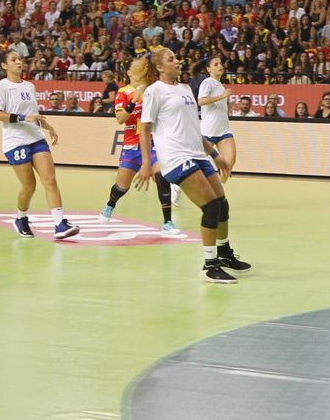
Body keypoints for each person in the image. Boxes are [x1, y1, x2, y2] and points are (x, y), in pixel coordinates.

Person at [137, 46, 251, 282]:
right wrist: (147, 163)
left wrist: (214, 154)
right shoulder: (154, 92)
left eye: (176, 56)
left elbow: (193, 128)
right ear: (160, 67)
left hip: (197, 153)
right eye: (172, 58)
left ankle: (224, 254)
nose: (178, 61)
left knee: (221, 204)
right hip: (176, 157)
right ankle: (209, 266)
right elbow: (145, 128)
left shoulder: (185, 88)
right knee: (210, 208)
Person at [0, 49, 78, 239]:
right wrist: (23, 117)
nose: (19, 62)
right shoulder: (0, 87)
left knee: (50, 180)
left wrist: (46, 125)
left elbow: (33, 114)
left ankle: (60, 223)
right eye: (13, 60)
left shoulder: (29, 86)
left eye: (19, 59)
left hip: (36, 138)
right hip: (15, 141)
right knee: (29, 186)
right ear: (4, 66)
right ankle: (20, 218)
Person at [99, 56, 177, 233]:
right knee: (121, 187)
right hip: (132, 144)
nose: (141, 67)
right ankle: (110, 204)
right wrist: (134, 100)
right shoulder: (123, 92)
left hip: (153, 142)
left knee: (161, 177)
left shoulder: (152, 89)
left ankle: (167, 222)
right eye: (136, 66)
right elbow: (120, 119)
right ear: (129, 73)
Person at [197, 56, 237, 174]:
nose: (220, 66)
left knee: (229, 163)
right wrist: (223, 96)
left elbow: (216, 105)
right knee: (195, 164)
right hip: (208, 131)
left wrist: (229, 106)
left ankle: (218, 191)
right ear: (208, 69)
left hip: (224, 130)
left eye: (220, 63)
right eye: (216, 64)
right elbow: (201, 101)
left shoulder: (219, 85)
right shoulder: (207, 82)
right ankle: (176, 185)